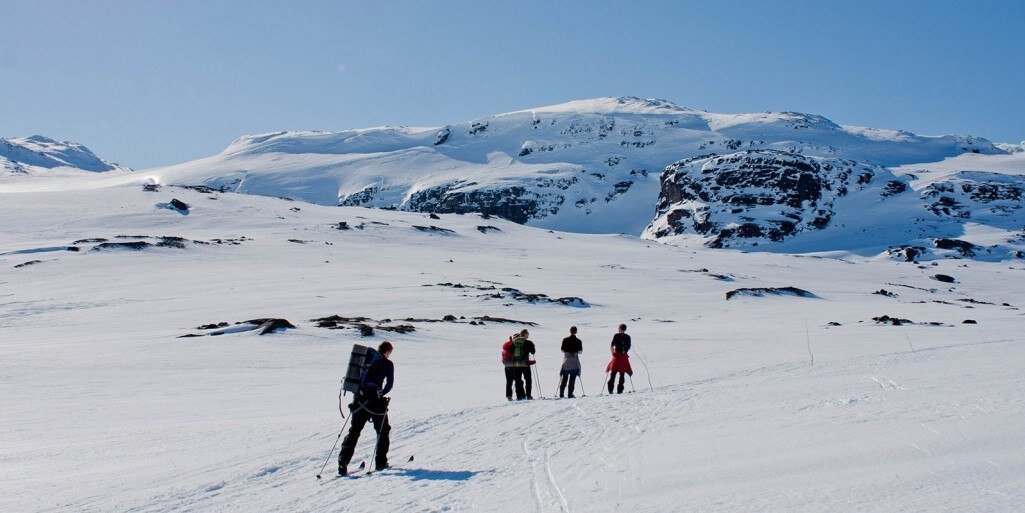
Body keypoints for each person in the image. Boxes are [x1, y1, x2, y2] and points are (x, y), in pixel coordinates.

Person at [338, 341, 394, 475]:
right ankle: (380, 462)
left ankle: (342, 461)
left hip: (359, 401)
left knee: (354, 431)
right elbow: (389, 385)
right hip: (376, 403)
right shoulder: (387, 363)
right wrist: (381, 393)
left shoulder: (364, 358)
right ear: (388, 352)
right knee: (383, 430)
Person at [606, 324, 632, 394]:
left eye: (618, 328)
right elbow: (628, 346)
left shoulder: (616, 335)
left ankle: (610, 390)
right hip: (623, 356)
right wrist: (624, 351)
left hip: (617, 355)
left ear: (620, 329)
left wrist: (612, 353)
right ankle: (620, 391)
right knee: (622, 373)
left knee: (613, 372)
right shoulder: (628, 337)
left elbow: (612, 345)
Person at [559, 326, 583, 398]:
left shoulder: (565, 340)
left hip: (567, 360)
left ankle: (561, 394)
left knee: (564, 378)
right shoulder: (578, 341)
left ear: (570, 331)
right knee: (572, 378)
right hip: (575, 361)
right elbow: (580, 351)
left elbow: (562, 349)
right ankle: (570, 394)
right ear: (576, 331)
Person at [502, 334, 526, 401]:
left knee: (509, 381)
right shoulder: (516, 345)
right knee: (519, 381)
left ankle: (509, 396)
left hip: (507, 365)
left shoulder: (507, 345)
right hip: (513, 365)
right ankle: (521, 396)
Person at [516, 329, 537, 399]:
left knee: (518, 379)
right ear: (524, 334)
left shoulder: (515, 342)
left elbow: (511, 350)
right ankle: (528, 395)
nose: (528, 334)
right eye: (527, 333)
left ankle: (519, 395)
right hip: (525, 363)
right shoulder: (528, 342)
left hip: (517, 363)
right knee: (528, 379)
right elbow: (533, 352)